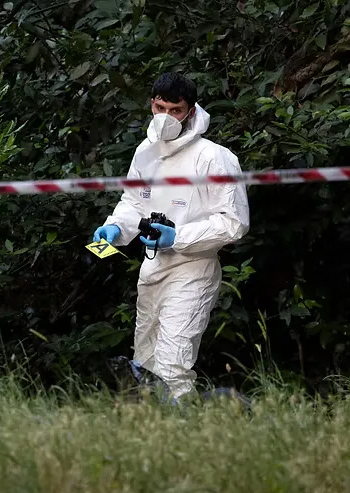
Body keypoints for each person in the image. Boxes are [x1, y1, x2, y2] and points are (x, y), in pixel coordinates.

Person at [93, 72, 250, 403]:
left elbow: (234, 223)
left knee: (172, 363)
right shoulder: (145, 152)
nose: (166, 117)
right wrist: (115, 228)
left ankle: (183, 430)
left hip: (193, 270)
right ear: (151, 103)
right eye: (160, 108)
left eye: (175, 110)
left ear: (190, 111)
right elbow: (133, 203)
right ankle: (149, 428)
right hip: (152, 269)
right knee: (144, 363)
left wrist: (177, 237)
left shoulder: (214, 157)